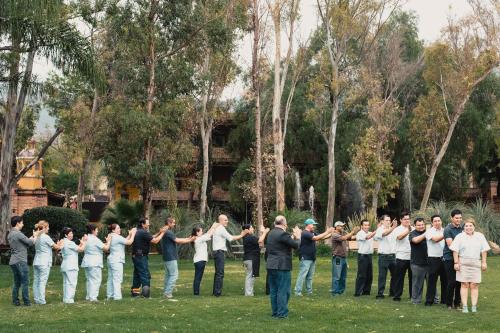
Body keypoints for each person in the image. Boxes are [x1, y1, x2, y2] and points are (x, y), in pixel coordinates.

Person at [450, 219, 490, 313]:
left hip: (476, 263)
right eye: (466, 226)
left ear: (474, 227)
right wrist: (456, 263)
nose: (468, 227)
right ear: (463, 228)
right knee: (464, 284)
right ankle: (464, 306)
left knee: (474, 285)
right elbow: (455, 250)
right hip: (463, 263)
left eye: (470, 226)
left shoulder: (480, 236)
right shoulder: (459, 236)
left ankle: (474, 306)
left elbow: (484, 250)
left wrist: (484, 262)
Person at [266, 215, 302, 319]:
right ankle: (282, 314)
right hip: (281, 266)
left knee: (274, 290)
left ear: (275, 223)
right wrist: (298, 236)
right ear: (284, 223)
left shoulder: (271, 233)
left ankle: (275, 312)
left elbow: (286, 243)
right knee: (283, 290)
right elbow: (296, 245)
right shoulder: (282, 234)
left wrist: (293, 237)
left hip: (271, 265)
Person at [294, 219, 333, 296]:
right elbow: (316, 238)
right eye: (313, 224)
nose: (314, 226)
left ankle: (309, 292)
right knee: (302, 275)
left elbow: (321, 237)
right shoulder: (305, 233)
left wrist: (331, 233)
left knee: (310, 276)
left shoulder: (312, 232)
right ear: (308, 225)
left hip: (312, 257)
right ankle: (297, 291)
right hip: (305, 257)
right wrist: (327, 232)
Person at [212, 214, 248, 297]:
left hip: (217, 252)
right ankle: (217, 292)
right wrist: (242, 235)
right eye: (225, 220)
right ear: (220, 220)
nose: (227, 221)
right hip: (219, 252)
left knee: (218, 273)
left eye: (227, 220)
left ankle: (215, 292)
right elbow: (231, 238)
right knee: (220, 273)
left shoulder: (217, 227)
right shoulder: (221, 228)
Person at [131, 218, 166, 298]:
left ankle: (135, 292)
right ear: (143, 224)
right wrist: (163, 233)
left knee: (137, 274)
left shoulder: (138, 231)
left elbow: (151, 237)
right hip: (141, 256)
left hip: (136, 256)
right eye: (147, 223)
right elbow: (155, 241)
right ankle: (146, 294)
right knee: (145, 274)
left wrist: (159, 232)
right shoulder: (143, 232)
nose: (149, 224)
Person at [161, 217, 195, 299]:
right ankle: (167, 293)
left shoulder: (165, 231)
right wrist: (190, 240)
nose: (174, 224)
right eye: (173, 223)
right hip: (171, 256)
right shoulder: (168, 232)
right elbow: (178, 241)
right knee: (174, 275)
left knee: (168, 275)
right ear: (169, 223)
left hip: (166, 257)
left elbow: (177, 239)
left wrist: (189, 238)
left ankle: (166, 292)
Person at [8, 216, 38, 306]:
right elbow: (30, 243)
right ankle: (26, 302)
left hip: (13, 261)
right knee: (25, 281)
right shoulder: (18, 233)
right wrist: (35, 236)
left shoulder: (10, 234)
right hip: (20, 260)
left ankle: (15, 301)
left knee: (17, 282)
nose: (23, 224)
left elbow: (25, 244)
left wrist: (32, 237)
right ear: (18, 223)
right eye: (22, 223)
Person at [32, 220, 63, 304]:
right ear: (44, 227)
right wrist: (61, 244)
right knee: (42, 281)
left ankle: (37, 299)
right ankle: (41, 300)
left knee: (36, 281)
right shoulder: (45, 237)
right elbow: (56, 247)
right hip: (44, 262)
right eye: (48, 227)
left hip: (36, 261)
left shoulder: (36, 236)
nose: (48, 229)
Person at [81, 224, 110, 302]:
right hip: (94, 262)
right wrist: (109, 241)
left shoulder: (86, 238)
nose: (97, 231)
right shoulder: (95, 239)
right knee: (96, 280)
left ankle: (89, 296)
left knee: (89, 280)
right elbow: (106, 248)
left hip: (87, 261)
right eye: (97, 230)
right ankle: (93, 297)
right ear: (93, 231)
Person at [107, 224, 136, 300]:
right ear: (113, 230)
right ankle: (117, 297)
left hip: (111, 260)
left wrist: (129, 235)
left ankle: (110, 295)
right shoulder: (117, 237)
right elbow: (129, 242)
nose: (119, 229)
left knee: (111, 278)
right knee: (117, 279)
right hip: (117, 260)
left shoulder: (112, 236)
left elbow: (124, 241)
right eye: (118, 228)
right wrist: (133, 234)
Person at [330, 221, 359, 296]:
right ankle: (335, 292)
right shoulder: (334, 235)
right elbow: (344, 238)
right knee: (337, 276)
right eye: (341, 226)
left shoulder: (342, 233)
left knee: (343, 276)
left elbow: (350, 238)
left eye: (343, 226)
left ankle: (341, 291)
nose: (343, 227)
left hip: (344, 258)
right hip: (337, 258)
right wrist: (352, 231)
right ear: (336, 227)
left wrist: (359, 233)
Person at [191, 223, 220, 295]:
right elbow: (209, 235)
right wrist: (213, 227)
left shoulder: (199, 238)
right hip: (200, 261)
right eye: (201, 231)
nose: (202, 232)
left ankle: (196, 292)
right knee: (198, 277)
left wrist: (212, 227)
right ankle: (196, 293)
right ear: (197, 233)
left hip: (199, 261)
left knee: (198, 277)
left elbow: (207, 234)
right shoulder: (199, 239)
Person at [443, 209, 463, 309]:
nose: (458, 220)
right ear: (452, 218)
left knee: (459, 281)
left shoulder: (463, 229)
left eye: (460, 218)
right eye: (456, 218)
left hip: (461, 258)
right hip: (449, 258)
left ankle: (457, 303)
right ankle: (449, 303)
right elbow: (451, 245)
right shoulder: (448, 229)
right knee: (452, 281)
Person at [60, 227, 87, 303]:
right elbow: (81, 250)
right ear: (66, 235)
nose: (72, 235)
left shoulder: (63, 242)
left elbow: (77, 249)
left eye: (72, 233)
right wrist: (84, 242)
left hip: (65, 265)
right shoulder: (70, 243)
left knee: (66, 283)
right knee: (71, 283)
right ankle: (70, 299)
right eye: (70, 233)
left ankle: (66, 299)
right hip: (71, 266)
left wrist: (82, 244)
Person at [425, 214, 447, 306]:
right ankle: (429, 301)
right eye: (435, 221)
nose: (437, 222)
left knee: (445, 280)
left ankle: (444, 300)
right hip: (433, 259)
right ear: (432, 222)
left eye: (439, 220)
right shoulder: (429, 232)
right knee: (432, 281)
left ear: (441, 221)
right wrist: (447, 233)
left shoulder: (445, 230)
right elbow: (435, 240)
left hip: (445, 259)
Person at [242, 224, 269, 296]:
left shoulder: (247, 237)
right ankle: (248, 293)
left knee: (250, 276)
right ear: (247, 230)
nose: (253, 229)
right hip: (251, 259)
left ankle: (249, 291)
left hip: (248, 259)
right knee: (250, 276)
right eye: (251, 228)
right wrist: (265, 232)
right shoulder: (249, 237)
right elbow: (260, 240)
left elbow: (260, 244)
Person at [374, 215, 397, 299]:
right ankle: (380, 294)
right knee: (382, 276)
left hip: (393, 256)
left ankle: (393, 292)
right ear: (382, 221)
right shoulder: (380, 229)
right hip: (383, 257)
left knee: (395, 275)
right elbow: (385, 234)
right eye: (386, 220)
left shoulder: (393, 230)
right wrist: (393, 227)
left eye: (389, 220)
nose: (388, 221)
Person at [393, 212, 412, 301]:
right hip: (401, 257)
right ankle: (397, 296)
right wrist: (408, 231)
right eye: (405, 219)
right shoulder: (397, 229)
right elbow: (399, 237)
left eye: (408, 219)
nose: (407, 221)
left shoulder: (413, 228)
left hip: (412, 257)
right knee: (399, 278)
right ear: (401, 220)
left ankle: (413, 296)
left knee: (412, 278)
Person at [354, 219, 376, 297]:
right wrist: (377, 230)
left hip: (369, 256)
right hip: (362, 256)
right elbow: (367, 237)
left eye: (368, 225)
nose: (367, 226)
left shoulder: (371, 233)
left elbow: (377, 236)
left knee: (369, 275)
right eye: (365, 225)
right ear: (362, 226)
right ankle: (357, 292)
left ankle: (366, 292)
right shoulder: (360, 233)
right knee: (361, 275)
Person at [409, 217, 428, 304]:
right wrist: (426, 234)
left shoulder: (429, 232)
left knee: (431, 283)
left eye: (422, 224)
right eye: (419, 225)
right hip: (417, 263)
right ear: (414, 226)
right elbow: (415, 240)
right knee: (417, 284)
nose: (421, 226)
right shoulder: (412, 233)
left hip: (429, 262)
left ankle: (434, 300)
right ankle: (416, 300)